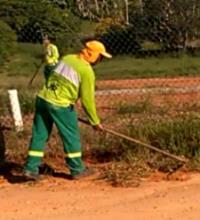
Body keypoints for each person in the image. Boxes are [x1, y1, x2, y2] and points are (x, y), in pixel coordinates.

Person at [23, 40, 112, 181]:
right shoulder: (86, 71)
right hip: (61, 105)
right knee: (71, 137)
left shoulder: (67, 58)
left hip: (43, 99)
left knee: (40, 135)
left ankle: (30, 168)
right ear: (92, 54)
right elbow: (87, 100)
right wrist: (95, 121)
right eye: (100, 56)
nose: (100, 60)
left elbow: (50, 75)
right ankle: (77, 170)